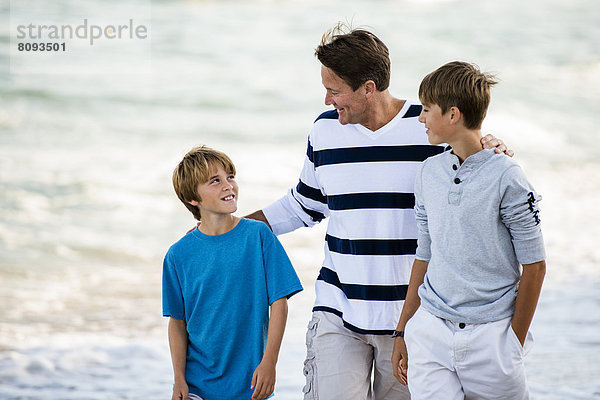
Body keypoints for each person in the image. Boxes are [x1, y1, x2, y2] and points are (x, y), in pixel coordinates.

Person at [246, 24, 511, 400]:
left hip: (415, 317)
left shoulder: (429, 127)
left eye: (335, 90)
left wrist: (492, 149)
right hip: (338, 308)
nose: (326, 100)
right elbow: (304, 204)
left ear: (368, 88)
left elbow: (476, 175)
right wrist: (230, 228)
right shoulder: (324, 131)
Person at [391, 61, 546, 399]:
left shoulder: (509, 177)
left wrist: (513, 343)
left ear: (452, 115)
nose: (420, 118)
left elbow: (535, 266)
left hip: (492, 339)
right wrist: (403, 331)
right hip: (431, 331)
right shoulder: (427, 173)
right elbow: (425, 254)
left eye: (427, 110)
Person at [163, 146, 303, 400]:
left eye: (230, 177)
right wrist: (178, 380)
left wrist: (270, 362)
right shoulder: (178, 255)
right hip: (197, 387)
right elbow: (177, 322)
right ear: (192, 199)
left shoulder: (258, 236)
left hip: (250, 385)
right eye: (215, 181)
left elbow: (279, 304)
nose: (228, 185)